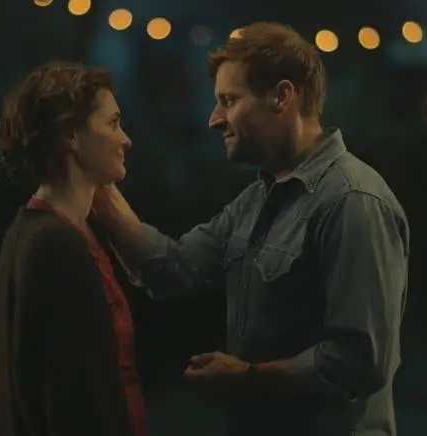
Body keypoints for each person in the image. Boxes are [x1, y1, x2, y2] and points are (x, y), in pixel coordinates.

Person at [92, 22, 410, 436]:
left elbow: (360, 360)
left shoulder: (352, 201)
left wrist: (247, 377)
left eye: (229, 100)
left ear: (282, 96)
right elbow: (171, 267)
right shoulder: (258, 199)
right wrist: (95, 180)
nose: (214, 119)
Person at [0, 62, 145, 436]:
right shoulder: (54, 244)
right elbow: (69, 396)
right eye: (112, 123)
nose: (125, 139)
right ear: (71, 135)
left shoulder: (44, 231)